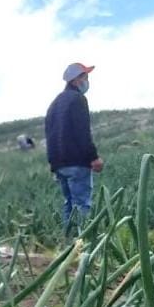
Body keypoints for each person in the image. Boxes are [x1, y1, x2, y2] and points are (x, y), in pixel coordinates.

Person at [45, 63, 103, 233]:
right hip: (77, 162)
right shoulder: (78, 99)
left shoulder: (54, 103)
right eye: (85, 77)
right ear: (76, 80)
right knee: (82, 204)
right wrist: (93, 157)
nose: (87, 81)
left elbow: (50, 134)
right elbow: (82, 131)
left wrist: (53, 165)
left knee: (69, 204)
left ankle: (68, 243)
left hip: (59, 164)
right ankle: (83, 245)